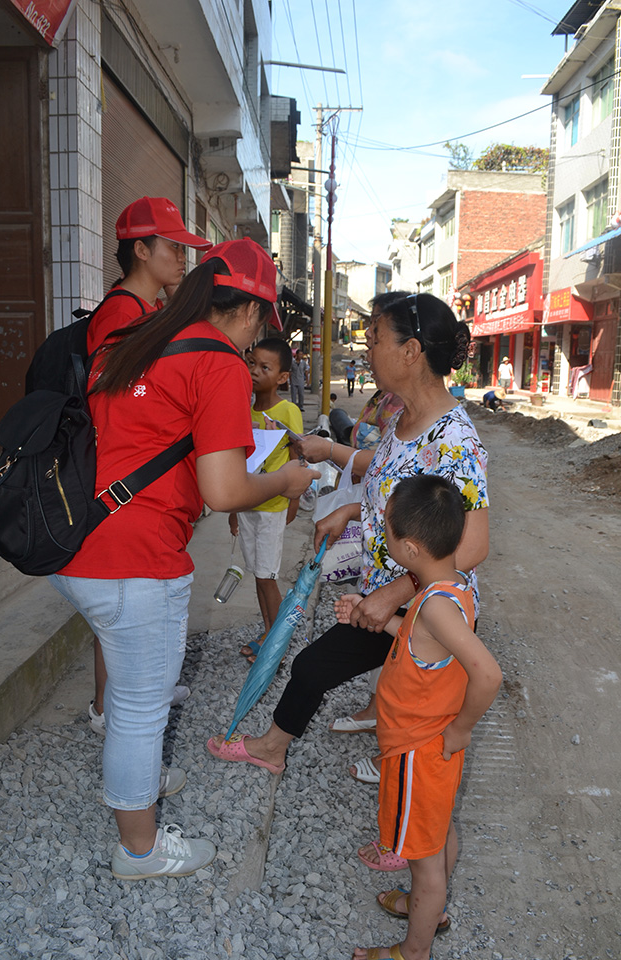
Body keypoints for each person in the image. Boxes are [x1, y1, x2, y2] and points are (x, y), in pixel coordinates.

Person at [48, 238, 318, 879]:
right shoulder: (218, 361)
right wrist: (285, 481)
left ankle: (134, 779)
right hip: (135, 557)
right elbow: (223, 489)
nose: (254, 344)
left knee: (129, 700)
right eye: (260, 326)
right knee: (142, 708)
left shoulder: (136, 339)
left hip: (77, 540)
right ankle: (139, 850)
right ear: (249, 312)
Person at [206, 292, 490, 781]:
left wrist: (393, 594)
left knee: (342, 677)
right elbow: (395, 482)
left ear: (411, 351)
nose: (367, 350)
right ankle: (302, 748)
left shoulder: (456, 441)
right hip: (387, 594)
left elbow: (474, 545)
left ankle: (402, 786)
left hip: (427, 608)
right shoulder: (404, 418)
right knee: (331, 671)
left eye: (375, 339)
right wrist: (352, 509)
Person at [334, 475, 502, 960]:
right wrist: (375, 618)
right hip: (430, 750)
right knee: (439, 830)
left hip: (418, 750)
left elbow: (488, 674)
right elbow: (421, 641)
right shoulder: (448, 587)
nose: (383, 536)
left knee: (423, 858)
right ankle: (427, 906)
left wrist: (461, 729)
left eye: (386, 530)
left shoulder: (435, 605)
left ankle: (414, 949)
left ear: (409, 548)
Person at [87, 196, 211, 737]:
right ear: (140, 250)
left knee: (120, 622)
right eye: (173, 247)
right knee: (120, 615)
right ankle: (110, 708)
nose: (182, 257)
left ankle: (127, 694)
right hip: (124, 492)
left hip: (140, 490)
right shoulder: (121, 315)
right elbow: (117, 411)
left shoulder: (150, 312)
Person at [230, 338, 304, 663]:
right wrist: (233, 509)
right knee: (258, 575)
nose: (255, 372)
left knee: (267, 576)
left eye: (265, 367)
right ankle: (268, 631)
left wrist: (294, 501)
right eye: (252, 364)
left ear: (283, 377)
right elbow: (238, 461)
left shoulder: (288, 411)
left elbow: (298, 456)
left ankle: (276, 645)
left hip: (273, 508)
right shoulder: (243, 411)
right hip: (247, 504)